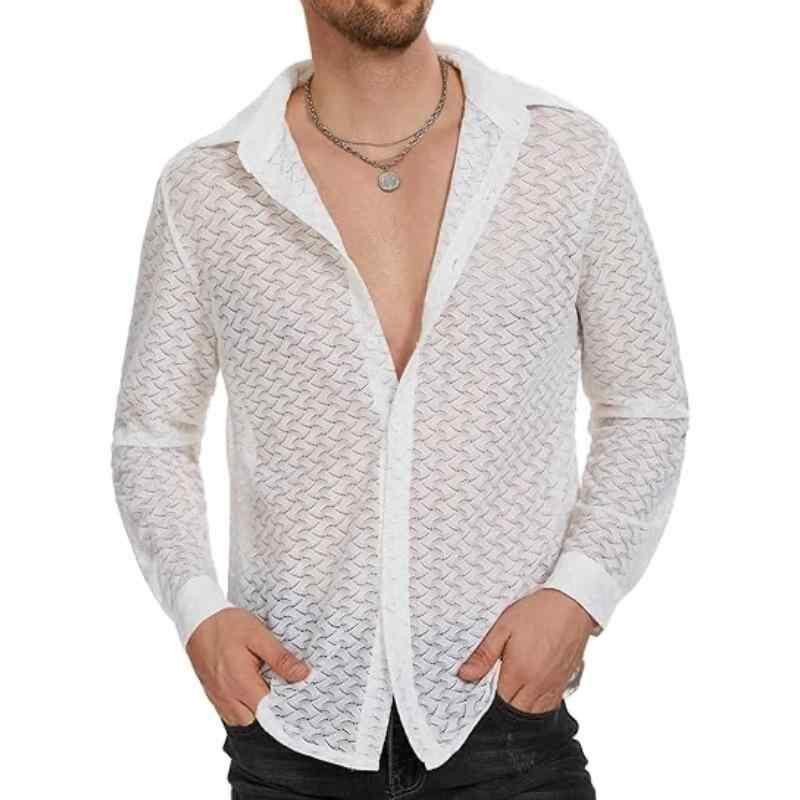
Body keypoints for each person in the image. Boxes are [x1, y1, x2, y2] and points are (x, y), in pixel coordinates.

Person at [110, 1, 690, 797]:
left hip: (507, 715)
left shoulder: (563, 155)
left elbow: (646, 406)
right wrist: (197, 610)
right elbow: (152, 438)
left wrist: (579, 595)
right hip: (292, 721)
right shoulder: (210, 186)